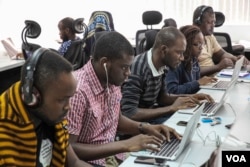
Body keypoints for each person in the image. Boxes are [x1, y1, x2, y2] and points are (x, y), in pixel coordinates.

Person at [66, 31, 182, 167]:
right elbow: (70, 148)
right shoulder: (77, 91)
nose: (129, 73)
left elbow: (117, 120)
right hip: (91, 162)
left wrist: (145, 128)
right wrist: (124, 145)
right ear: (105, 63)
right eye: (124, 67)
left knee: (171, 162)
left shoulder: (112, 80)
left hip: (114, 156)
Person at [0, 48, 92, 166]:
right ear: (32, 97)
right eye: (62, 100)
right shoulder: (4, 136)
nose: (68, 107)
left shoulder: (53, 116)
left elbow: (74, 162)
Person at [121, 27, 214, 125]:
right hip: (138, 125)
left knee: (195, 121)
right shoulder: (139, 68)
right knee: (188, 126)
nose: (182, 58)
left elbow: (163, 98)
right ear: (164, 50)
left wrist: (192, 97)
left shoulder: (164, 64)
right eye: (179, 53)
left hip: (151, 117)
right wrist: (170, 108)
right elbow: (129, 113)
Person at [192, 5, 246, 77]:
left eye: (213, 22)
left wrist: (236, 59)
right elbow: (192, 72)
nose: (213, 25)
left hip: (213, 78)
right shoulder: (190, 40)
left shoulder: (209, 37)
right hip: (201, 82)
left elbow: (222, 54)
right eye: (209, 22)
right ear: (198, 23)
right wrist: (218, 67)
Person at [166, 25, 217, 94]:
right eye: (196, 44)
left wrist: (207, 86)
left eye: (202, 44)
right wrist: (198, 83)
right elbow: (172, 91)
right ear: (184, 45)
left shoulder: (194, 60)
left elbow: (194, 87)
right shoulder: (176, 63)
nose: (201, 48)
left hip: (191, 99)